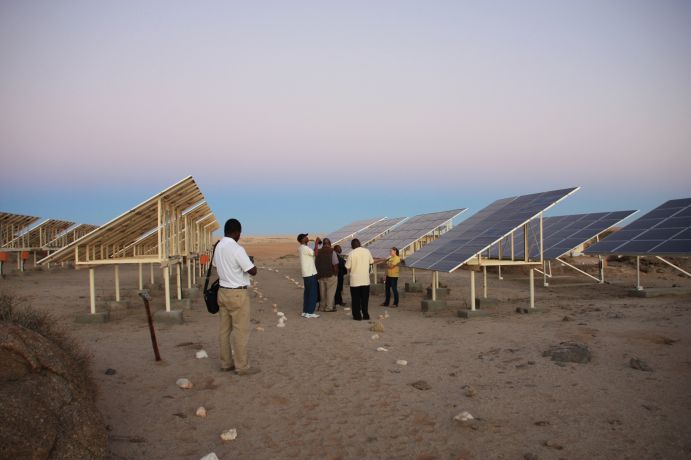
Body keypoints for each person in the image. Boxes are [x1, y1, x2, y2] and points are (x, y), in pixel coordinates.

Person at [213, 218, 259, 376]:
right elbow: (252, 271)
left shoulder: (218, 246)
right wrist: (251, 262)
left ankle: (226, 363)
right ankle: (242, 367)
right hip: (237, 293)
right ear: (236, 232)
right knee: (240, 331)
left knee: (224, 330)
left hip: (223, 292)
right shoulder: (237, 248)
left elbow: (215, 265)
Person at [345, 238, 374, 321]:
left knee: (355, 299)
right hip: (365, 280)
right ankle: (366, 315)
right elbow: (371, 262)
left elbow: (347, 266)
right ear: (360, 244)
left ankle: (357, 316)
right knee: (365, 299)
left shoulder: (351, 253)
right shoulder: (367, 251)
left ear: (352, 246)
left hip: (355, 281)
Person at [297, 233, 320, 318]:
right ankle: (310, 312)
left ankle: (305, 311)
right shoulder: (305, 248)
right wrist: (316, 243)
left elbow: (313, 253)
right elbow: (316, 254)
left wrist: (315, 246)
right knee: (313, 293)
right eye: (306, 237)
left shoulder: (301, 248)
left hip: (306, 273)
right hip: (310, 273)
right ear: (302, 239)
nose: (307, 238)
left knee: (307, 293)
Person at [315, 238, 339, 312]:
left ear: (323, 244)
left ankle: (322, 307)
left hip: (321, 275)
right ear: (330, 243)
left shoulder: (318, 252)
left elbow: (316, 263)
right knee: (330, 292)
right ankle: (329, 307)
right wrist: (336, 273)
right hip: (330, 274)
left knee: (322, 292)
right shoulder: (332, 252)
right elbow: (335, 264)